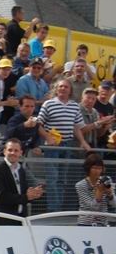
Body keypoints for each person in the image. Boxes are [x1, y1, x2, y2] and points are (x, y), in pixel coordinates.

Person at [36, 78, 84, 211]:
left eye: (66, 87)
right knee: (52, 179)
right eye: (60, 86)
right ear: (56, 89)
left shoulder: (75, 105)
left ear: (70, 90)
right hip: (52, 147)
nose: (63, 89)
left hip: (67, 145)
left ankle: (59, 210)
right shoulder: (48, 104)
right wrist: (47, 137)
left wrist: (82, 141)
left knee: (62, 180)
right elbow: (38, 125)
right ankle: (53, 210)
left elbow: (77, 127)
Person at [0, 138, 44, 225]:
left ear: (21, 153)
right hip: (3, 220)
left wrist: (33, 195)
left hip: (20, 219)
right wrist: (26, 197)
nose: (13, 153)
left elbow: (24, 194)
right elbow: (1, 196)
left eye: (16, 150)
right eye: (10, 150)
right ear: (4, 151)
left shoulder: (21, 170)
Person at [76, 153, 115, 226]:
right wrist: (99, 192)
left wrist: (110, 194)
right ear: (88, 168)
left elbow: (114, 204)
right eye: (94, 168)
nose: (97, 171)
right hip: (85, 223)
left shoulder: (107, 180)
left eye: (99, 168)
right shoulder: (80, 185)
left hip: (103, 223)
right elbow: (93, 207)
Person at [0, 58, 19, 137]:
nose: (6, 72)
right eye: (4, 69)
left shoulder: (1, 81)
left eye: (8, 69)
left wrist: (9, 101)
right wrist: (8, 103)